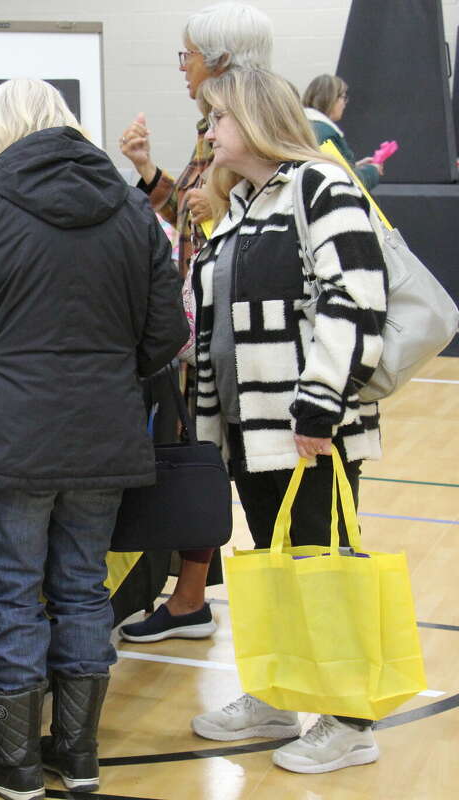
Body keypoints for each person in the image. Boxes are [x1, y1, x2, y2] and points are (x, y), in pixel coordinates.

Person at [0, 79, 187, 799]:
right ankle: (77, 756)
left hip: (14, 436)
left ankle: (17, 764)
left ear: (0, 135)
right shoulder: (128, 206)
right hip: (106, 434)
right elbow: (167, 335)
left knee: (13, 595)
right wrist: (111, 372)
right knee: (84, 591)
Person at [188, 68, 387, 774]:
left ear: (257, 120)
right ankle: (275, 692)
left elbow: (356, 297)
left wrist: (320, 402)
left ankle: (351, 718)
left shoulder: (319, 186)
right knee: (274, 570)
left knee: (323, 569)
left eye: (219, 120)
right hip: (249, 429)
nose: (209, 133)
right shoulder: (239, 203)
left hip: (307, 428)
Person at [116, 0, 273, 644]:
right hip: (200, 328)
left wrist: (206, 214)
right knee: (201, 455)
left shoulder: (248, 132)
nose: (182, 67)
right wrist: (151, 173)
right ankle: (188, 594)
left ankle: (193, 599)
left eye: (189, 54)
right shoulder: (216, 127)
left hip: (230, 339)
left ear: (222, 60)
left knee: (209, 459)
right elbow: (191, 213)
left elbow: (229, 229)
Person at [303, 74, 382, 190]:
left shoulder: (305, 126)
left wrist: (356, 167)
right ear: (330, 98)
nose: (345, 103)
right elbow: (346, 183)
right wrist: (372, 171)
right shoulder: (324, 134)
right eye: (343, 97)